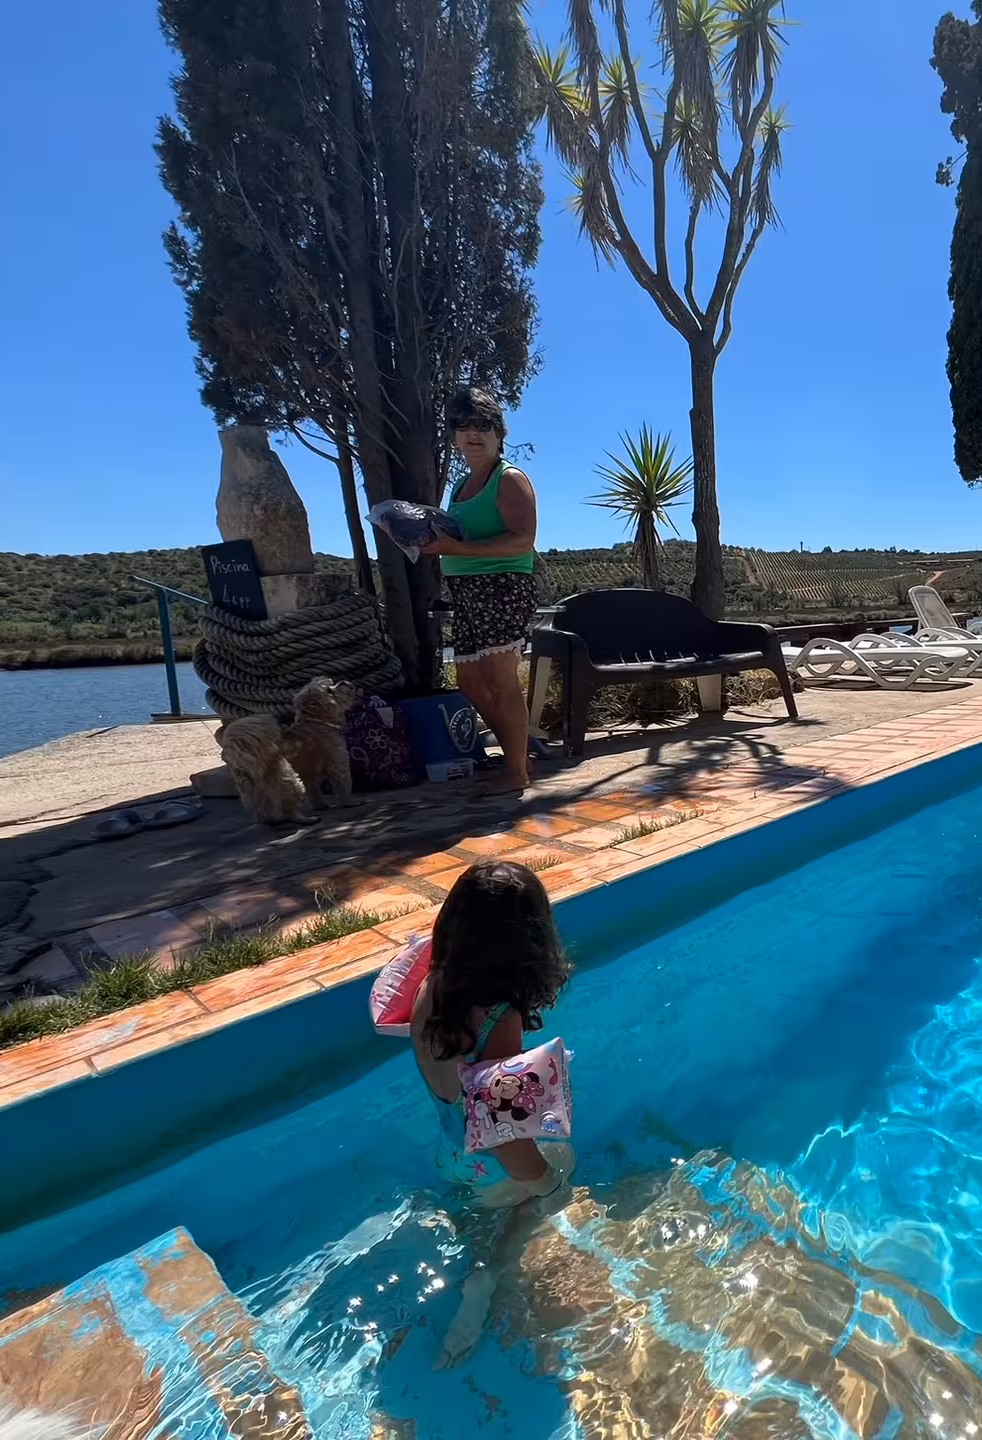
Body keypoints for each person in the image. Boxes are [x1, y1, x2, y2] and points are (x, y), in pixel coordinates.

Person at [411, 858, 576, 1366]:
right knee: (550, 1181)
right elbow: (502, 1130)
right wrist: (548, 1183)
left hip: (452, 1154)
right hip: (491, 1163)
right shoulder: (497, 1020)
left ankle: (480, 1266)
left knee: (479, 1223)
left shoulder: (430, 990)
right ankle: (486, 1281)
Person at [418, 387, 538, 793]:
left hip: (502, 588)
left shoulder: (509, 479)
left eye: (482, 425)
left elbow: (523, 539)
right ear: (453, 434)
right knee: (469, 680)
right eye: (462, 425)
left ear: (498, 432)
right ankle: (515, 754)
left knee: (502, 680)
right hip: (467, 593)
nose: (472, 433)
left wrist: (457, 548)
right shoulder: (461, 486)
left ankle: (517, 771)